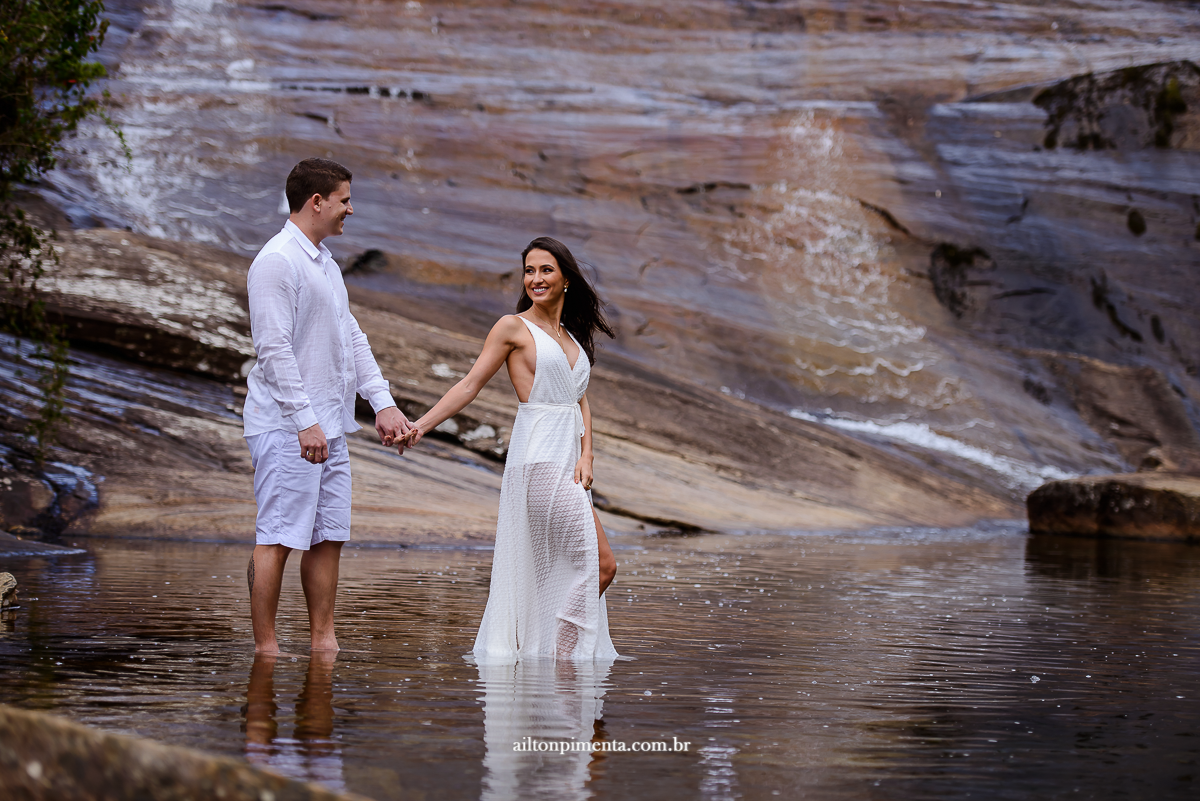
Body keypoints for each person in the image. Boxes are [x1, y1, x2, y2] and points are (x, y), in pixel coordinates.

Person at [401, 236, 618, 661]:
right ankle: (562, 662)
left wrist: (587, 453)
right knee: (601, 565)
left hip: (569, 463)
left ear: (566, 279)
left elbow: (579, 398)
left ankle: (549, 659)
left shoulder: (570, 335)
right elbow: (470, 384)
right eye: (529, 271)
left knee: (578, 568)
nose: (535, 279)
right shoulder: (513, 327)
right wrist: (421, 426)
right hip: (538, 460)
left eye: (546, 270)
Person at [243, 157, 411, 654]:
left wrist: (381, 403)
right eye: (344, 200)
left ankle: (323, 643)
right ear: (316, 202)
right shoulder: (277, 261)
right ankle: (266, 650)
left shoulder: (324, 261)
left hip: (331, 427)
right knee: (277, 535)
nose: (350, 210)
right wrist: (304, 422)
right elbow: (272, 350)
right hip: (287, 427)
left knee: (327, 536)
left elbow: (350, 337)